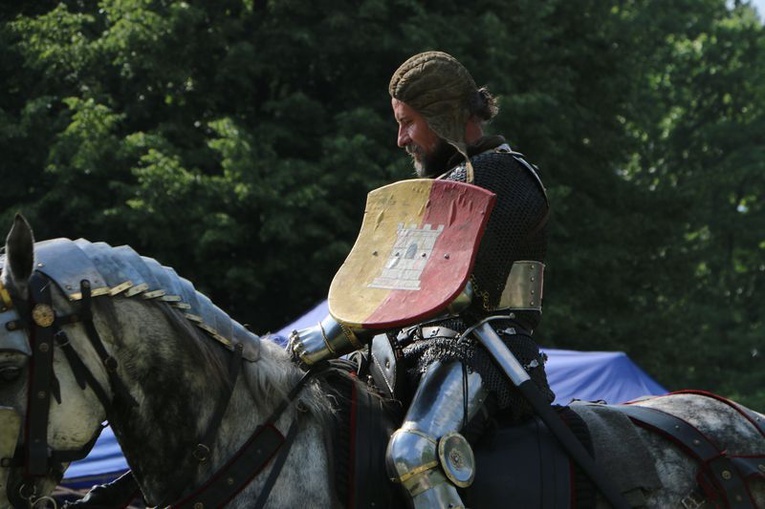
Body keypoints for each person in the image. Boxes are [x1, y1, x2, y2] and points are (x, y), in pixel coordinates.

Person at [290, 50, 554, 509]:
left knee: (415, 452)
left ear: (444, 115)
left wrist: (322, 339)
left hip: (487, 346)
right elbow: (380, 289)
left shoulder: (505, 177)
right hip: (410, 347)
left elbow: (446, 290)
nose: (400, 138)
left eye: (408, 122)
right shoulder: (439, 188)